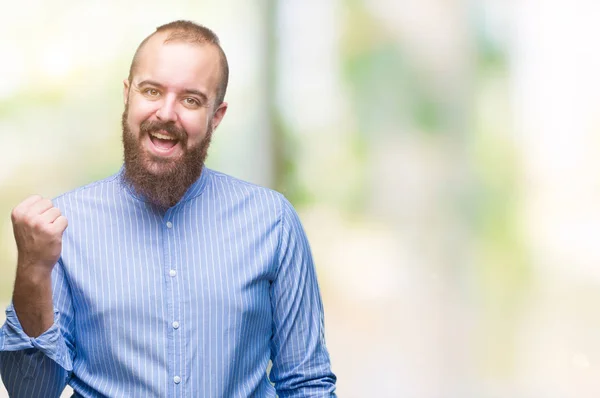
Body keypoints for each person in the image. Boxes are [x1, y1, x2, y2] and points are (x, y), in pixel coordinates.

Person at [0, 20, 336, 397]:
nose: (166, 113)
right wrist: (32, 268)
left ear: (217, 116)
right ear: (128, 95)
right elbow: (29, 390)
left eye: (191, 100)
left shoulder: (272, 222)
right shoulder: (65, 228)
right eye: (152, 91)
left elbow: (307, 384)